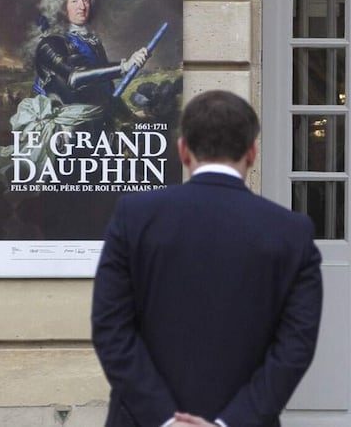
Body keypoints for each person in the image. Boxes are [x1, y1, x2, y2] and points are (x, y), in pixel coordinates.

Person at [91, 89, 323, 427]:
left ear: (183, 150)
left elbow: (111, 329)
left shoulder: (134, 216)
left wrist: (165, 419)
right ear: (252, 152)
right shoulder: (291, 232)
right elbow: (294, 347)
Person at [28, 0, 148, 130]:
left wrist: (129, 116)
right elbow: (74, 77)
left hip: (102, 127)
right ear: (62, 7)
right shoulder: (50, 44)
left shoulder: (93, 43)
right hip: (70, 133)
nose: (82, 7)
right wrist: (124, 66)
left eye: (85, 1)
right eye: (74, 1)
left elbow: (106, 92)